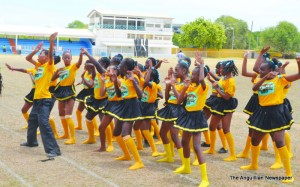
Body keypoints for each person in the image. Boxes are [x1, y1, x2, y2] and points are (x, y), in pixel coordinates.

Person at [240, 56, 300, 184]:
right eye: (260, 69)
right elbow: (254, 88)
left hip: (276, 113)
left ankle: (289, 174)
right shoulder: (260, 79)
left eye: (263, 69)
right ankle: (254, 164)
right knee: (255, 140)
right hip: (262, 112)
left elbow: (298, 76)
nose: (260, 71)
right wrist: (264, 78)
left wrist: (298, 63)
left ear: (271, 70)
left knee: (279, 141)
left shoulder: (280, 79)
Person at [20, 32, 61, 158]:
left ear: (47, 57)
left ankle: (54, 150)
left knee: (43, 123)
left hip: (45, 100)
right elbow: (27, 58)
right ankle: (32, 142)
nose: (39, 55)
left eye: (40, 54)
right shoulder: (39, 66)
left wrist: (51, 42)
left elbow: (51, 56)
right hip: (37, 99)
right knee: (32, 121)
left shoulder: (49, 66)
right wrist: (36, 50)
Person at [173, 51, 210, 187]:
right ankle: (186, 166)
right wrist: (185, 87)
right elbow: (179, 101)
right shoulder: (191, 86)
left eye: (193, 74)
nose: (191, 76)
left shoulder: (203, 87)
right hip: (187, 116)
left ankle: (205, 178)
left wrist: (201, 65)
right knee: (184, 141)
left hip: (197, 117)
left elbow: (201, 79)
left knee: (196, 146)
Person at [110, 58, 144, 170]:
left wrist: (133, 80)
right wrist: (115, 81)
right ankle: (127, 155)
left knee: (125, 134)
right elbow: (119, 94)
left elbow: (140, 95)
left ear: (125, 67)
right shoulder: (124, 79)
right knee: (116, 132)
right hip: (124, 105)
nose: (119, 66)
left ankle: (139, 161)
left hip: (132, 106)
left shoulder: (133, 78)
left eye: (121, 64)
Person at [203, 60, 238, 162]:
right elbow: (220, 85)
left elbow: (227, 97)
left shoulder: (231, 81)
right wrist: (211, 80)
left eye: (222, 68)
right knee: (212, 126)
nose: (220, 69)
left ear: (227, 69)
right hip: (219, 103)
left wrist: (216, 88)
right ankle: (211, 149)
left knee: (226, 129)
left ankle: (233, 155)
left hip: (227, 104)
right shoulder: (224, 78)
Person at [156, 61, 189, 164]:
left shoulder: (187, 83)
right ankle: (169, 157)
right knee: (162, 133)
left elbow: (181, 99)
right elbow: (167, 98)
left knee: (175, 135)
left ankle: (184, 162)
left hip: (178, 110)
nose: (175, 72)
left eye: (176, 70)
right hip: (170, 108)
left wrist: (173, 84)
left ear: (184, 71)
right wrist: (169, 82)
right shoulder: (177, 82)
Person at [51, 48, 84, 144]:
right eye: (65, 58)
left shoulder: (73, 67)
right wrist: (57, 71)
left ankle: (73, 138)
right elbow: (53, 79)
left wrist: (81, 55)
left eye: (68, 58)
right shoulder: (61, 69)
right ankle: (66, 134)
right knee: (61, 114)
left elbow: (79, 63)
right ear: (62, 58)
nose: (67, 59)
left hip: (69, 91)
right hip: (60, 91)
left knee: (68, 115)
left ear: (71, 58)